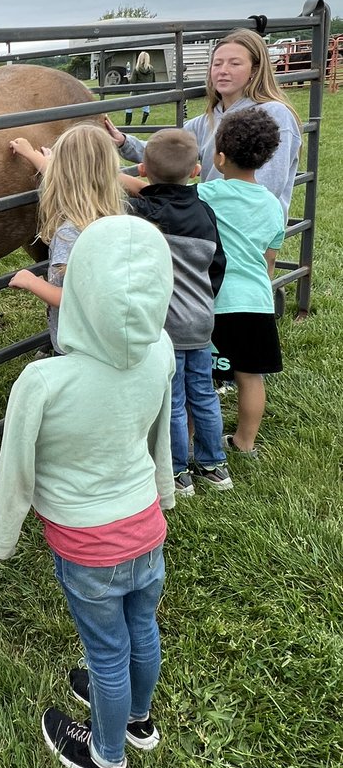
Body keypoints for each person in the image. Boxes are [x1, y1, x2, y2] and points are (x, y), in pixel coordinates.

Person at [0, 214, 176, 768]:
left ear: (80, 289)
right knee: (142, 627)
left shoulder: (43, 382)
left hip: (87, 547)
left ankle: (107, 761)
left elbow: (15, 468)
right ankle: (138, 720)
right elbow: (160, 438)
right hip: (147, 527)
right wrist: (165, 491)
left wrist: (1, 536)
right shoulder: (162, 351)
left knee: (107, 652)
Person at [123, 128, 230, 495]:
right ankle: (215, 465)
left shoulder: (142, 213)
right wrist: (204, 300)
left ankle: (178, 471)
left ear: (142, 169)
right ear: (196, 171)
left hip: (165, 326)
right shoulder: (205, 212)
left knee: (173, 399)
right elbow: (218, 264)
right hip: (201, 322)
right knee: (203, 393)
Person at [106, 29, 302, 221]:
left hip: (250, 225)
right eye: (217, 63)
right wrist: (123, 141)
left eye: (235, 63)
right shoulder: (207, 120)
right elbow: (168, 152)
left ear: (255, 70)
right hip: (210, 222)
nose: (223, 71)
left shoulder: (274, 115)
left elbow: (269, 185)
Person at [196, 110, 286, 456]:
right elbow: (269, 260)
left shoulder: (205, 193)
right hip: (256, 304)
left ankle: (191, 442)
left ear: (219, 158)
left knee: (201, 376)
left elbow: (159, 192)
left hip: (214, 300)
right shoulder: (273, 205)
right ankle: (245, 442)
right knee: (251, 377)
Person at [7, 125, 127, 354]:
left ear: (59, 178)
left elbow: (71, 298)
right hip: (106, 333)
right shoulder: (116, 220)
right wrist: (34, 156)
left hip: (78, 343)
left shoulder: (70, 234)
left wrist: (31, 281)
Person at [125, 52, 156, 127]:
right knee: (146, 108)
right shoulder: (151, 69)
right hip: (147, 92)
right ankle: (143, 122)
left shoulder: (137, 69)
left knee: (129, 107)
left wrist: (128, 78)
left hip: (136, 92)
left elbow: (133, 82)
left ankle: (127, 123)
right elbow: (153, 81)